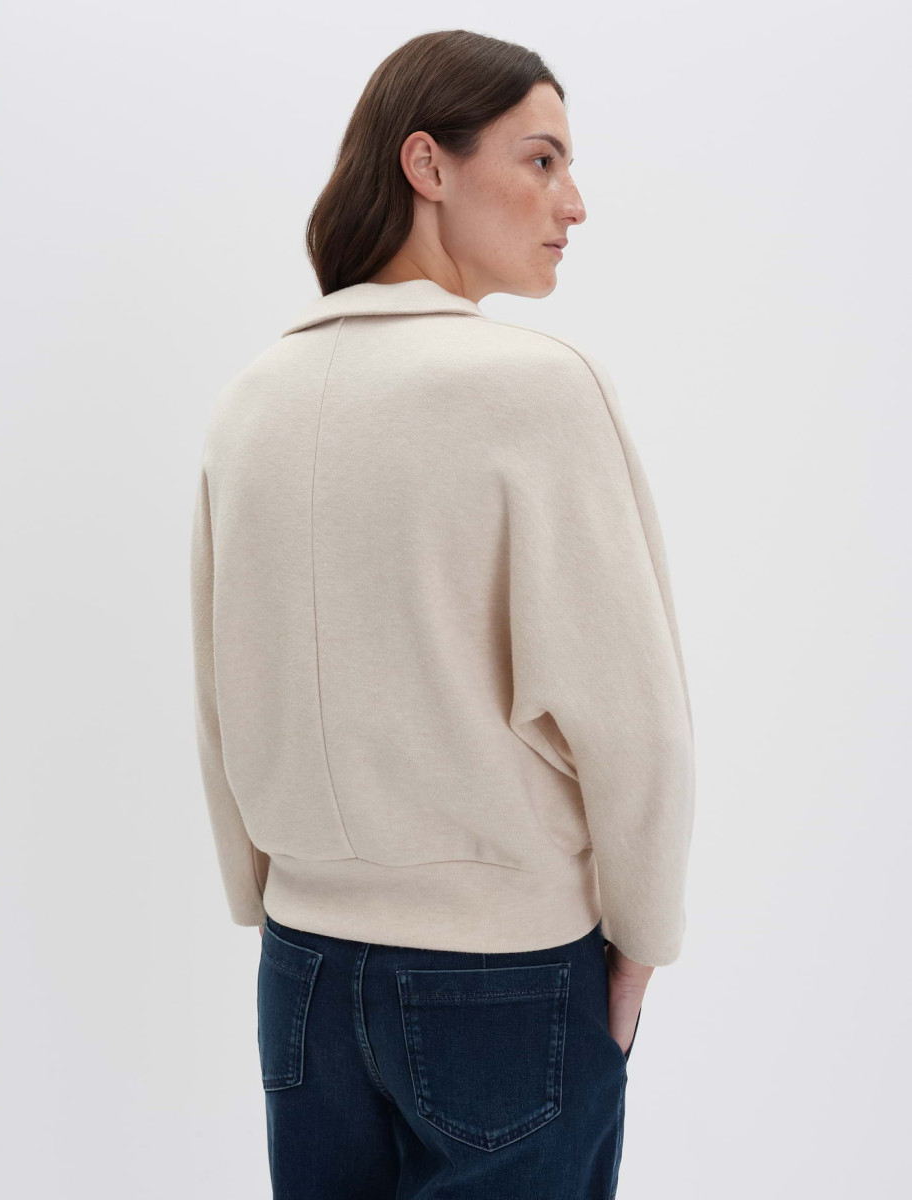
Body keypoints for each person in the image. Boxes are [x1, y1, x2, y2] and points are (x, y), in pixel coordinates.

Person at [189, 28, 695, 1200]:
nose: (572, 202)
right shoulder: (535, 388)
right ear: (426, 164)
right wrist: (641, 941)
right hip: (501, 974)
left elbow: (220, 687)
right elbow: (634, 719)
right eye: (539, 159)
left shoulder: (250, 400)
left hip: (304, 975)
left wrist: (269, 896)